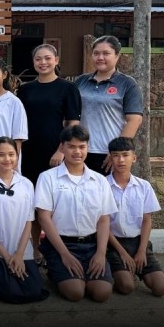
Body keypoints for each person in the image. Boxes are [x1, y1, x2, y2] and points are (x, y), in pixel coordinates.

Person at [35, 125, 117, 302]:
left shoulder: (99, 180)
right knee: (75, 293)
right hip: (60, 244)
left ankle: (82, 273)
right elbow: (44, 217)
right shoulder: (47, 177)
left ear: (88, 147)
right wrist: (65, 255)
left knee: (102, 293)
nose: (77, 152)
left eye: (82, 146)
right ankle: (55, 268)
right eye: (71, 146)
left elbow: (104, 219)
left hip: (91, 245)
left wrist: (100, 253)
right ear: (62, 147)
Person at [16, 43, 82, 257]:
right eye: (38, 59)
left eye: (47, 58)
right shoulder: (25, 89)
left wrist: (61, 150)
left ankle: (56, 249)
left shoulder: (68, 88)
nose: (43, 62)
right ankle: (35, 249)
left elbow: (72, 123)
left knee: (54, 203)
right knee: (33, 203)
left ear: (56, 60)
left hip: (54, 153)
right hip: (29, 153)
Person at [0, 137, 49, 304]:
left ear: (17, 155)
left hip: (21, 249)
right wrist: (6, 255)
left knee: (33, 291)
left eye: (11, 154)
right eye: (1, 155)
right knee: (12, 293)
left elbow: (28, 221)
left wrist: (19, 254)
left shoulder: (26, 184)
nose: (7, 159)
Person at [105, 136, 164, 297]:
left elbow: (147, 220)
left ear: (134, 158)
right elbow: (102, 224)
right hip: (113, 243)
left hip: (138, 242)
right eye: (116, 155)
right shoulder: (102, 186)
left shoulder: (144, 186)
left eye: (125, 155)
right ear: (110, 158)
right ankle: (119, 271)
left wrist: (141, 250)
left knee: (160, 288)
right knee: (126, 287)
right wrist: (123, 253)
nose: (121, 160)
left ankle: (135, 268)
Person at [75, 35, 143, 175]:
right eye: (96, 53)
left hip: (108, 153)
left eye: (106, 53)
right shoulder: (81, 81)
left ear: (117, 56)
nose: (100, 57)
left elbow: (134, 119)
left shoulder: (127, 84)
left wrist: (117, 151)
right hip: (80, 151)